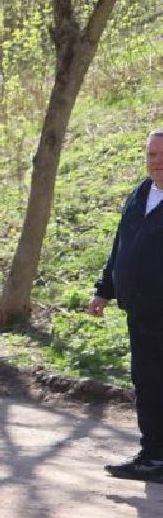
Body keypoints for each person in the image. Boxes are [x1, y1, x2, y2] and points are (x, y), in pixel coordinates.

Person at [87, 130, 163, 482]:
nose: (157, 162)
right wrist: (104, 290)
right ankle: (153, 455)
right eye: (152, 155)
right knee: (147, 383)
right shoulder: (140, 194)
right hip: (141, 312)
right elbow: (120, 245)